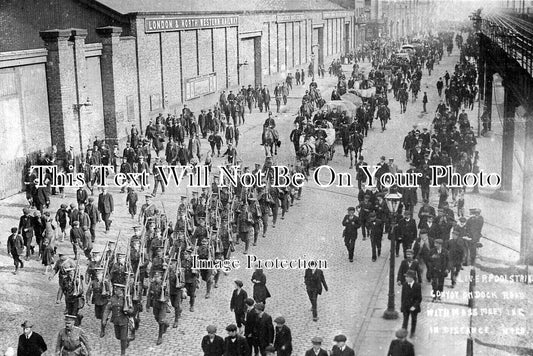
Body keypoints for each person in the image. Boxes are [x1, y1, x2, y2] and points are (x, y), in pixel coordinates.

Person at [101, 283, 131, 355]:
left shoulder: (126, 298)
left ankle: (122, 353)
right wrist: (104, 319)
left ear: (121, 291)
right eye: (115, 289)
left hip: (124, 321)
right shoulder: (112, 298)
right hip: (116, 321)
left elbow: (131, 309)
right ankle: (126, 340)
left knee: (123, 338)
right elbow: (107, 309)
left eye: (117, 290)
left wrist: (128, 311)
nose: (115, 291)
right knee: (118, 337)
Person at [400, 270, 422, 337]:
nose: (405, 278)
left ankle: (412, 332)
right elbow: (403, 297)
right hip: (406, 306)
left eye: (407, 277)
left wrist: (414, 306)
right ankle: (404, 333)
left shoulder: (417, 286)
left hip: (414, 306)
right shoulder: (404, 285)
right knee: (405, 321)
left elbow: (419, 298)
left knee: (414, 320)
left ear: (411, 278)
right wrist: (402, 306)